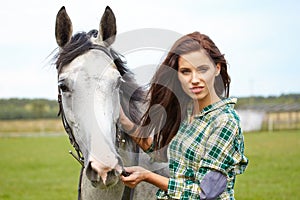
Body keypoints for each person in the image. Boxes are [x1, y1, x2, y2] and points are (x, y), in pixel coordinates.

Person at [119, 31, 248, 199]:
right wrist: (124, 121)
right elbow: (162, 153)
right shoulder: (188, 114)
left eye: (202, 69)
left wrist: (148, 176)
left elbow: (206, 193)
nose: (194, 79)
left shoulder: (224, 121)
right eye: (186, 71)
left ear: (217, 69)